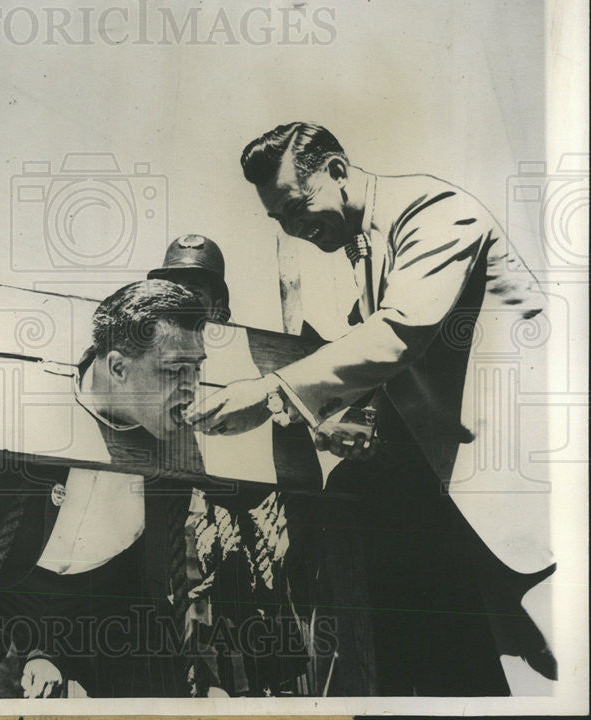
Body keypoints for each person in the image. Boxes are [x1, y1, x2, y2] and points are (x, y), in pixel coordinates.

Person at [185, 121, 553, 695]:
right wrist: (332, 415)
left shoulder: (435, 212)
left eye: (297, 206)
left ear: (336, 171)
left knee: (558, 678)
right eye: (278, 219)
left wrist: (273, 389)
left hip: (528, 503)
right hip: (461, 509)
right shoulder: (367, 246)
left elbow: (400, 334)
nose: (294, 229)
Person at [0, 280, 211, 699]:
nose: (191, 388)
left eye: (198, 369)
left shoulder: (181, 439)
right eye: (175, 371)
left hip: (94, 610)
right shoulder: (24, 402)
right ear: (117, 368)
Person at [150, 235, 316, 697]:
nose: (182, 300)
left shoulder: (249, 365)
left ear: (220, 308)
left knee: (262, 669)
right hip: (182, 544)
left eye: (195, 290)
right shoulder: (147, 360)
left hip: (246, 528)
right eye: (173, 288)